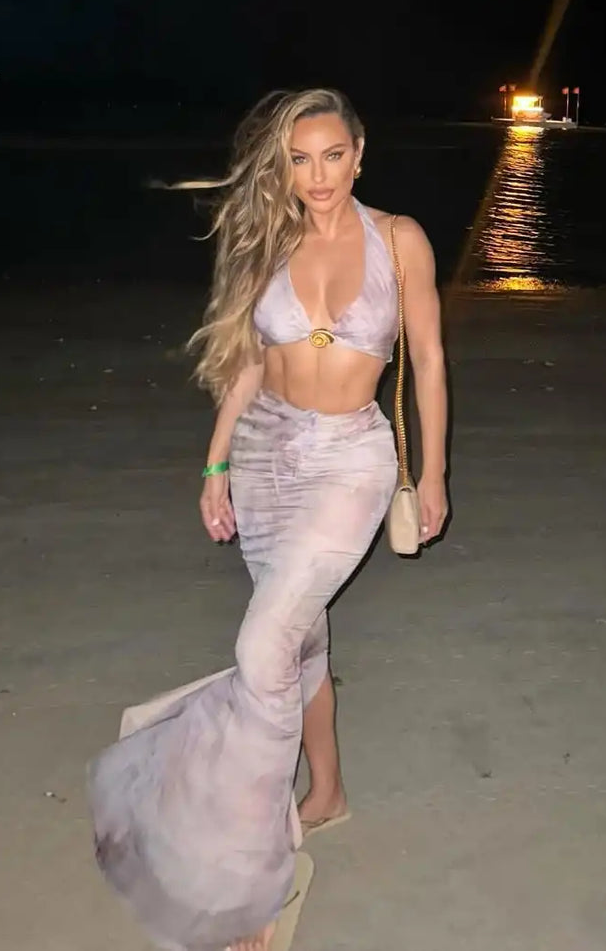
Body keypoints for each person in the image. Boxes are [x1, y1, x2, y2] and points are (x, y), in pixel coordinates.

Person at [87, 88, 448, 951]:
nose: (317, 176)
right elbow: (249, 363)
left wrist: (434, 472)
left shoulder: (399, 240)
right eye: (299, 159)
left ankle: (250, 887)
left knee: (261, 649)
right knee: (299, 638)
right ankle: (327, 791)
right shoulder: (271, 240)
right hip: (263, 456)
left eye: (332, 156)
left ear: (359, 154)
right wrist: (216, 462)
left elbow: (430, 359)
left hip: (350, 461)